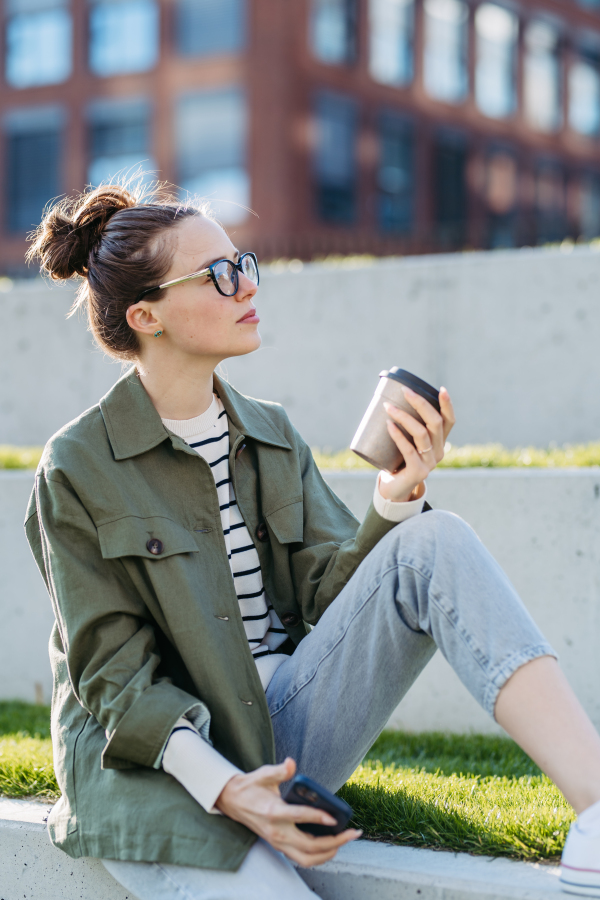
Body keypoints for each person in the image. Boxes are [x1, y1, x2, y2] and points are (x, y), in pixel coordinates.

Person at [24, 183, 600, 900]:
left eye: (244, 263)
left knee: (434, 538)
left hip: (283, 726)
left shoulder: (269, 431)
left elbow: (330, 593)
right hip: (160, 770)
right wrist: (233, 791)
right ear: (147, 316)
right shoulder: (77, 465)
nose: (246, 287)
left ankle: (597, 809)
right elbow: (115, 681)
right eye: (218, 275)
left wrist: (395, 495)